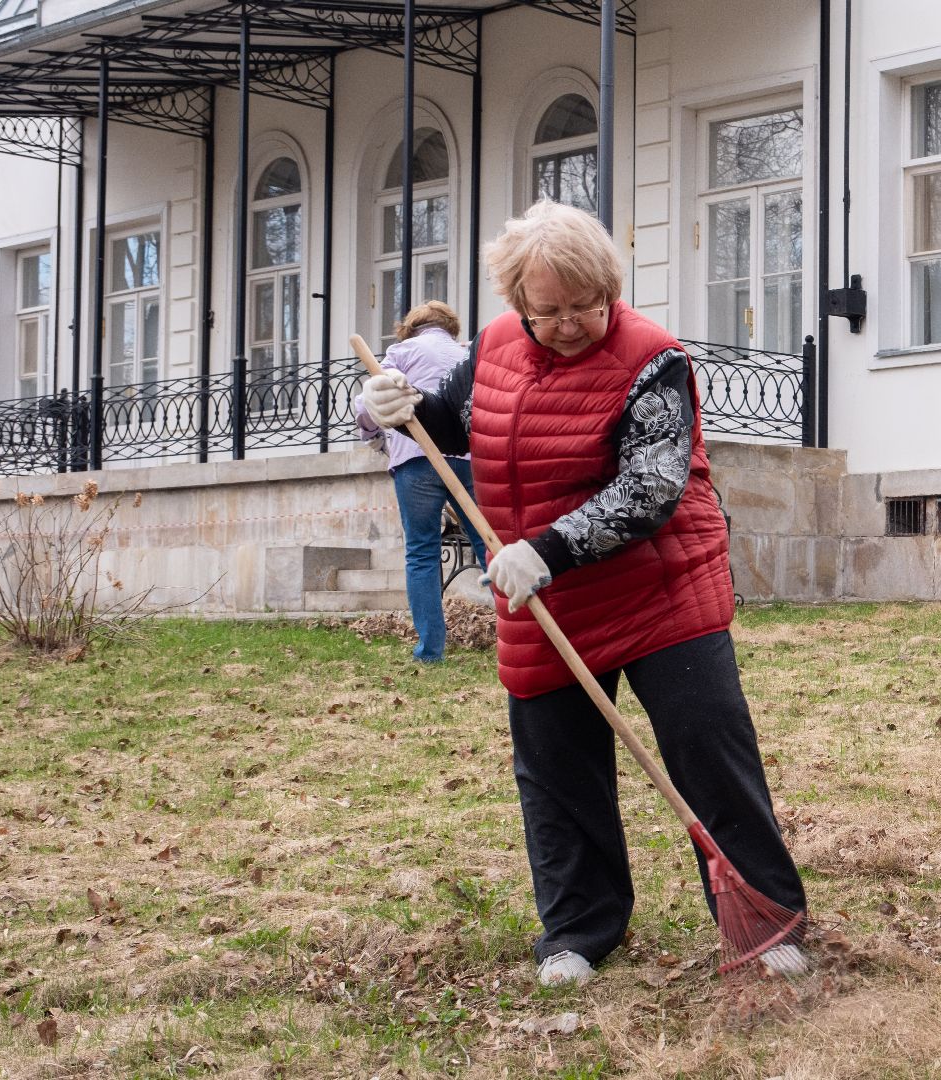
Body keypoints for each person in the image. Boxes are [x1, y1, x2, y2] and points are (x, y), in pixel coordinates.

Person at [358, 200, 806, 986]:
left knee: (708, 751)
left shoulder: (652, 358)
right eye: (550, 310)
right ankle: (579, 928)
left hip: (660, 586)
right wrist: (398, 409)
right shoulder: (495, 346)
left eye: (586, 307)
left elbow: (652, 487)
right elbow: (462, 421)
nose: (570, 324)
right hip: (543, 595)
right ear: (517, 303)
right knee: (558, 769)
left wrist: (549, 548)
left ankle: (769, 919)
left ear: (610, 288)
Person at [354, 300, 487, 663]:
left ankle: (430, 651)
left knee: (422, 552)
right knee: (488, 545)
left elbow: (369, 403)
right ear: (450, 326)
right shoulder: (468, 353)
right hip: (469, 459)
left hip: (416, 460)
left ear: (411, 327)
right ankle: (520, 635)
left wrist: (371, 435)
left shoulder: (403, 351)